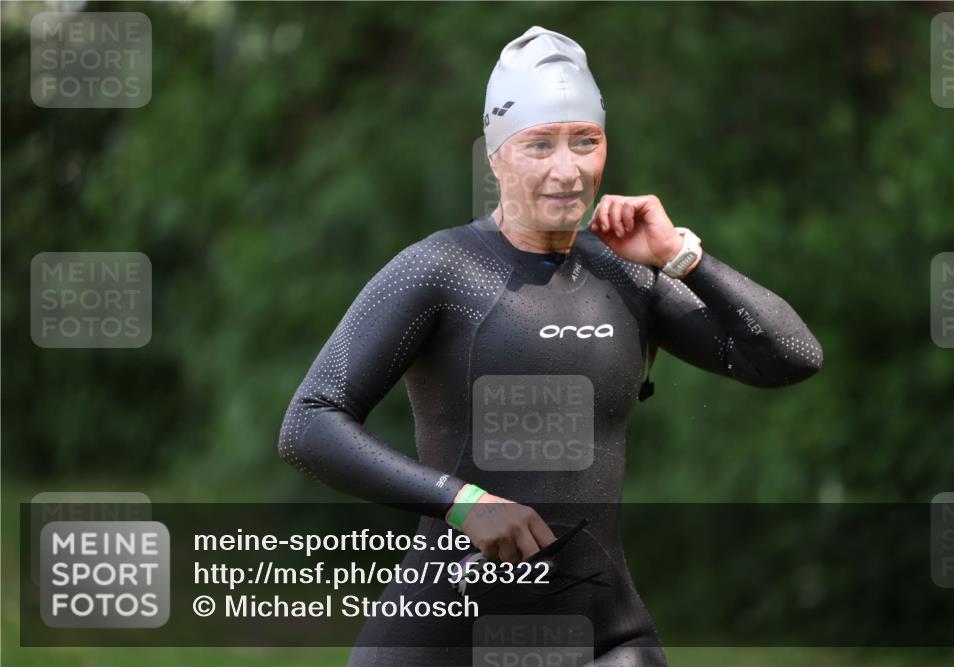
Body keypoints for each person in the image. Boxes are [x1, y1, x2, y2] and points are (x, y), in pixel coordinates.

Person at [278, 25, 823, 666]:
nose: (567, 170)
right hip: (442, 641)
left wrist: (680, 257)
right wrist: (464, 502)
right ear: (495, 156)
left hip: (605, 639)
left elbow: (789, 357)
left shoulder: (626, 272)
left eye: (585, 142)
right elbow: (308, 424)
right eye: (540, 145)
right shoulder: (443, 269)